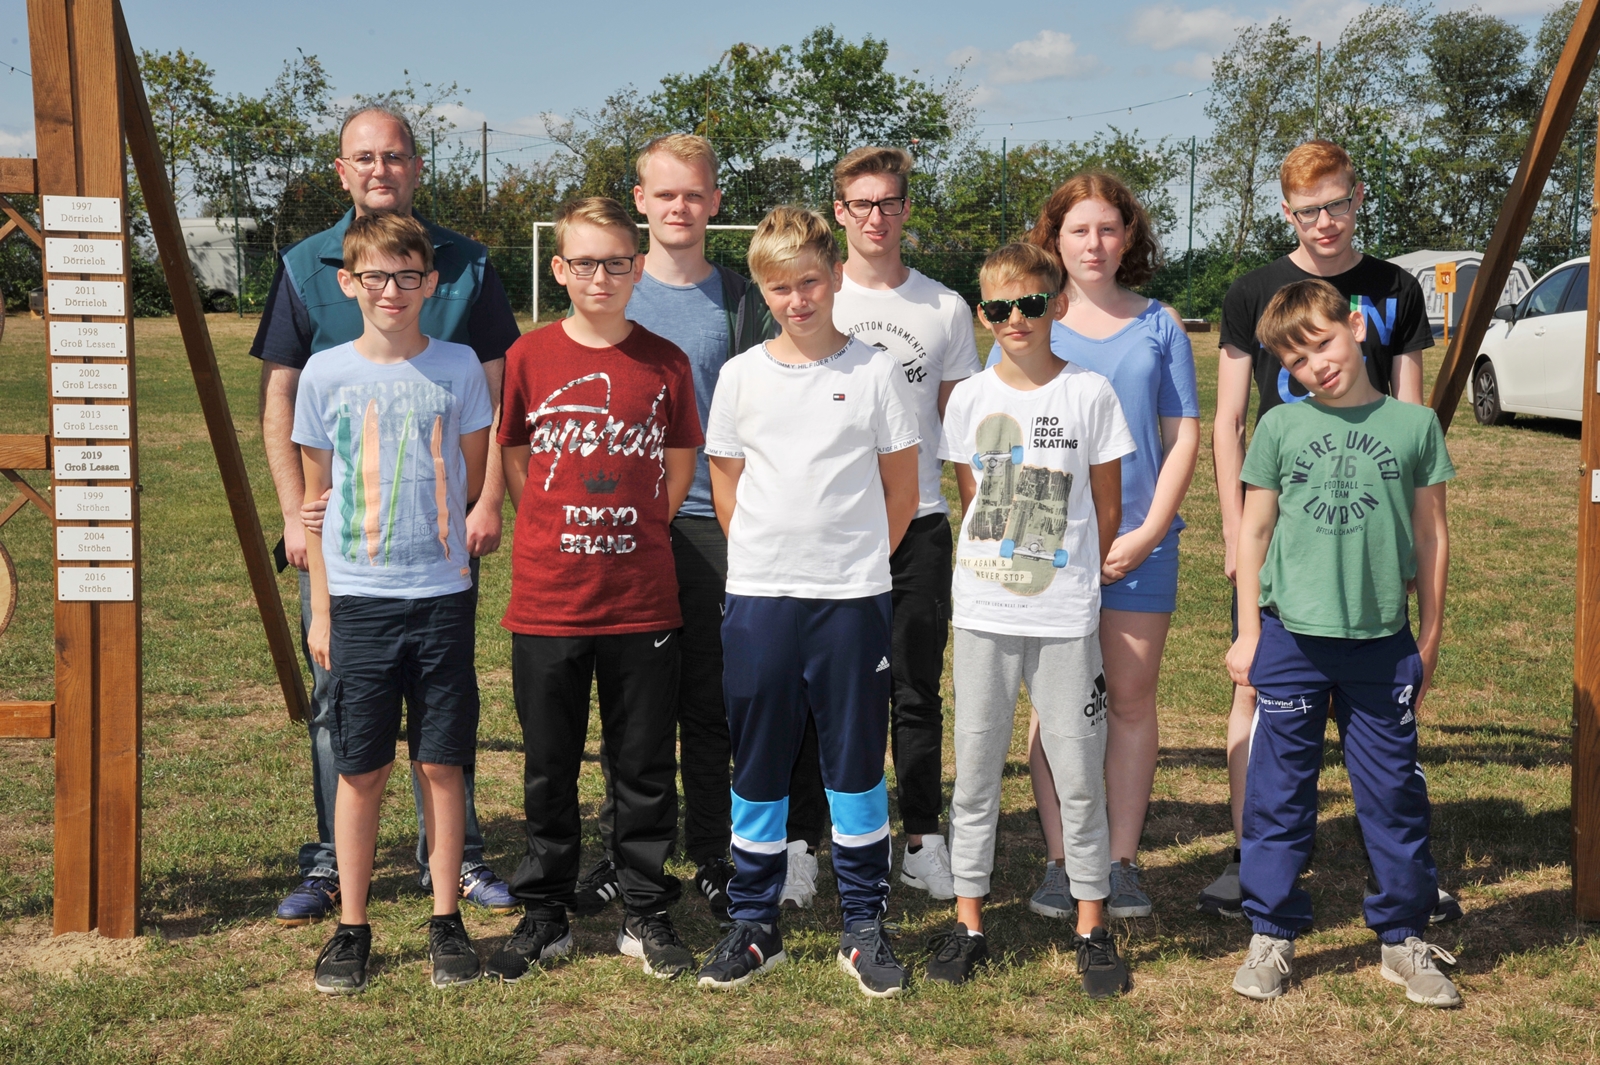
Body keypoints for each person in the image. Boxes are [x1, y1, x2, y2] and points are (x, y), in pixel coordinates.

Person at [254, 103, 520, 926]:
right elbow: (280, 400)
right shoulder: (305, 264)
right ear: (342, 170)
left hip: (436, 540)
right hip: (346, 539)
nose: (380, 169)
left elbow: (498, 394)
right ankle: (331, 863)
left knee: (445, 712)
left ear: (416, 167)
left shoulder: (467, 263)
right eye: (363, 157)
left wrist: (486, 499)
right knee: (340, 701)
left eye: (394, 156)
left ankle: (459, 857)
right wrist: (295, 516)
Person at [1205, 139, 1456, 921]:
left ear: (1358, 198)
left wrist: (1406, 543)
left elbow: (1411, 411)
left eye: (1337, 204)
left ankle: (1405, 872)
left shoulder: (1394, 288)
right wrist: (1233, 529)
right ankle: (1251, 855)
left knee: (1382, 703)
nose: (1325, 221)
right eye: (1308, 210)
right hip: (1282, 526)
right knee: (1258, 688)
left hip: (1366, 526)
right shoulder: (1253, 290)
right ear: (1288, 212)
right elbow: (1230, 418)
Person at [694, 206, 920, 997]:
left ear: (835, 277)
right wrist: (769, 558)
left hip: (850, 601)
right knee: (757, 763)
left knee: (854, 765)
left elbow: (901, 492)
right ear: (763, 290)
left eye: (811, 283)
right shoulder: (741, 376)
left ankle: (863, 925)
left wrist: (851, 563)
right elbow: (726, 483)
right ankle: (755, 924)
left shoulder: (876, 372)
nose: (798, 299)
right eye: (780, 287)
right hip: (761, 600)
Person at [485, 197, 703, 983]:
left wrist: (634, 527)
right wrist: (552, 524)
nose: (600, 277)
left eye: (615, 262)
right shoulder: (529, 356)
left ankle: (644, 908)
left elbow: (678, 464)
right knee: (549, 764)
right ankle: (545, 910)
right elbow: (515, 455)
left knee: (642, 763)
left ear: (638, 267)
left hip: (640, 597)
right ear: (559, 269)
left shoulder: (665, 362)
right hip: (550, 597)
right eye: (584, 263)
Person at [1226, 278, 1460, 1008]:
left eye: (1322, 345)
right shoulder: (1280, 428)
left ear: (1355, 327)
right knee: (1278, 795)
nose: (1315, 366)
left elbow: (1432, 536)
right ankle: (1271, 931)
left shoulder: (1415, 426)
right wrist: (1249, 632)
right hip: (1291, 639)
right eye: (1296, 361)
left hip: (1382, 643)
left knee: (1392, 795)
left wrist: (1429, 636)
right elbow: (1253, 533)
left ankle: (1402, 936)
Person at [569, 133, 775, 922]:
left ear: (714, 201)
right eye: (665, 193)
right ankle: (626, 853)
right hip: (627, 527)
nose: (680, 207)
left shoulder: (741, 297)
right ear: (641, 201)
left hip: (715, 524)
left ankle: (716, 851)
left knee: (712, 700)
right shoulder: (612, 287)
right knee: (631, 704)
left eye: (694, 193)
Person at [928, 242, 1135, 996]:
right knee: (976, 771)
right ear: (982, 313)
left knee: (1079, 772)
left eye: (1031, 303)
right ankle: (968, 921)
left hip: (1065, 616)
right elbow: (972, 500)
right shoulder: (968, 399)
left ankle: (1092, 923)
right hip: (983, 612)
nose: (1015, 319)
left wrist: (1071, 578)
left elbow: (1106, 508)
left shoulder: (1091, 393)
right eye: (999, 307)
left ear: (1058, 304)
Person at [294, 212, 493, 993]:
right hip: (360, 602)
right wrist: (321, 608)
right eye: (375, 276)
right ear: (349, 283)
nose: (392, 291)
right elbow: (316, 501)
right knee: (362, 769)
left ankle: (446, 920)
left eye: (408, 276)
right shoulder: (324, 375)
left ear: (430, 283)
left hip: (441, 597)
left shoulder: (459, 366)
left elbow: (472, 472)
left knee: (441, 763)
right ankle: (352, 926)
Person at [1017, 173, 1199, 922]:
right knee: (1053, 708)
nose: (1094, 244)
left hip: (1137, 547)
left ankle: (1121, 862)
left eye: (1108, 228)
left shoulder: (1161, 323)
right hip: (1051, 547)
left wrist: (1149, 529)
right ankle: (1062, 861)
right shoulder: (1030, 316)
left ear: (1129, 237)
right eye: (1078, 230)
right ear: (1053, 239)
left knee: (1127, 701)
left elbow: (1181, 434)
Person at [825, 146, 982, 902]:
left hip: (918, 524)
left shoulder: (944, 308)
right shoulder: (817, 296)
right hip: (832, 528)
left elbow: (961, 428)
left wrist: (977, 521)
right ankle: (808, 839)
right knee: (826, 690)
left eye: (888, 202)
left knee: (915, 690)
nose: (876, 217)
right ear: (839, 213)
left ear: (906, 209)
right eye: (861, 203)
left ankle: (922, 838)